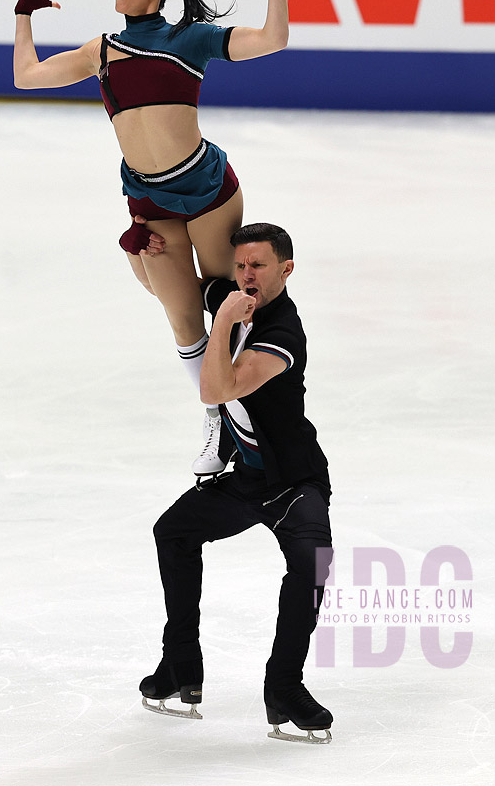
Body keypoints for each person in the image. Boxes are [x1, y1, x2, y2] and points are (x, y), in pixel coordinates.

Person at [12, 0, 289, 475]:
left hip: (208, 190)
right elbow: (26, 75)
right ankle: (219, 416)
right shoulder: (103, 50)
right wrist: (25, 12)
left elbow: (274, 39)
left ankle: (257, 398)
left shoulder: (190, 37)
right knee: (184, 318)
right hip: (150, 202)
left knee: (224, 302)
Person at [139, 223, 334, 743]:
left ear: (286, 270)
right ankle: (181, 664)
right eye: (241, 266)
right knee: (174, 533)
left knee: (311, 570)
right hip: (248, 479)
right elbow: (162, 285)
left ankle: (284, 689)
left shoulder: (281, 333)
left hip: (295, 484)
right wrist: (142, 252)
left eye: (259, 267)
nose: (246, 276)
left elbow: (215, 386)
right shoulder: (231, 295)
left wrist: (223, 319)